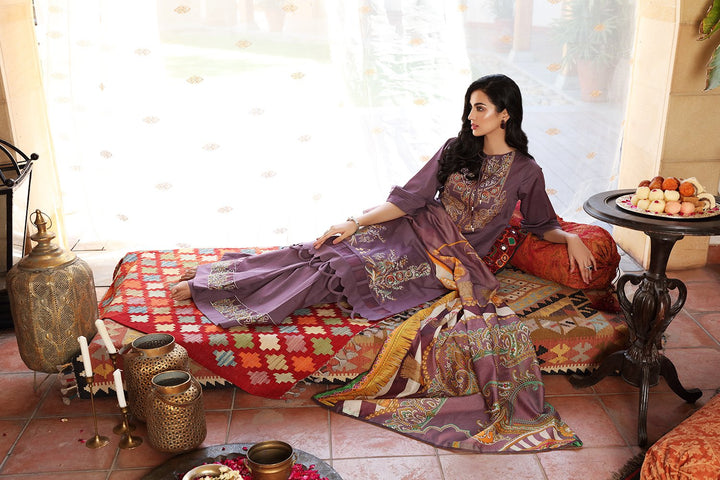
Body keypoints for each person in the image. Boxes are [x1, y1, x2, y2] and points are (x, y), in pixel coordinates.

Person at [170, 73, 596, 329]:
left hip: (450, 258)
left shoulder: (526, 171)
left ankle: (230, 293)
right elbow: (411, 198)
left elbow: (540, 224)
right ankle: (220, 279)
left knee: (344, 271)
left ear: (506, 114)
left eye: (481, 108)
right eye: (470, 107)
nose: (471, 116)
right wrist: (355, 222)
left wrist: (571, 239)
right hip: (412, 228)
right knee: (329, 248)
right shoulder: (455, 149)